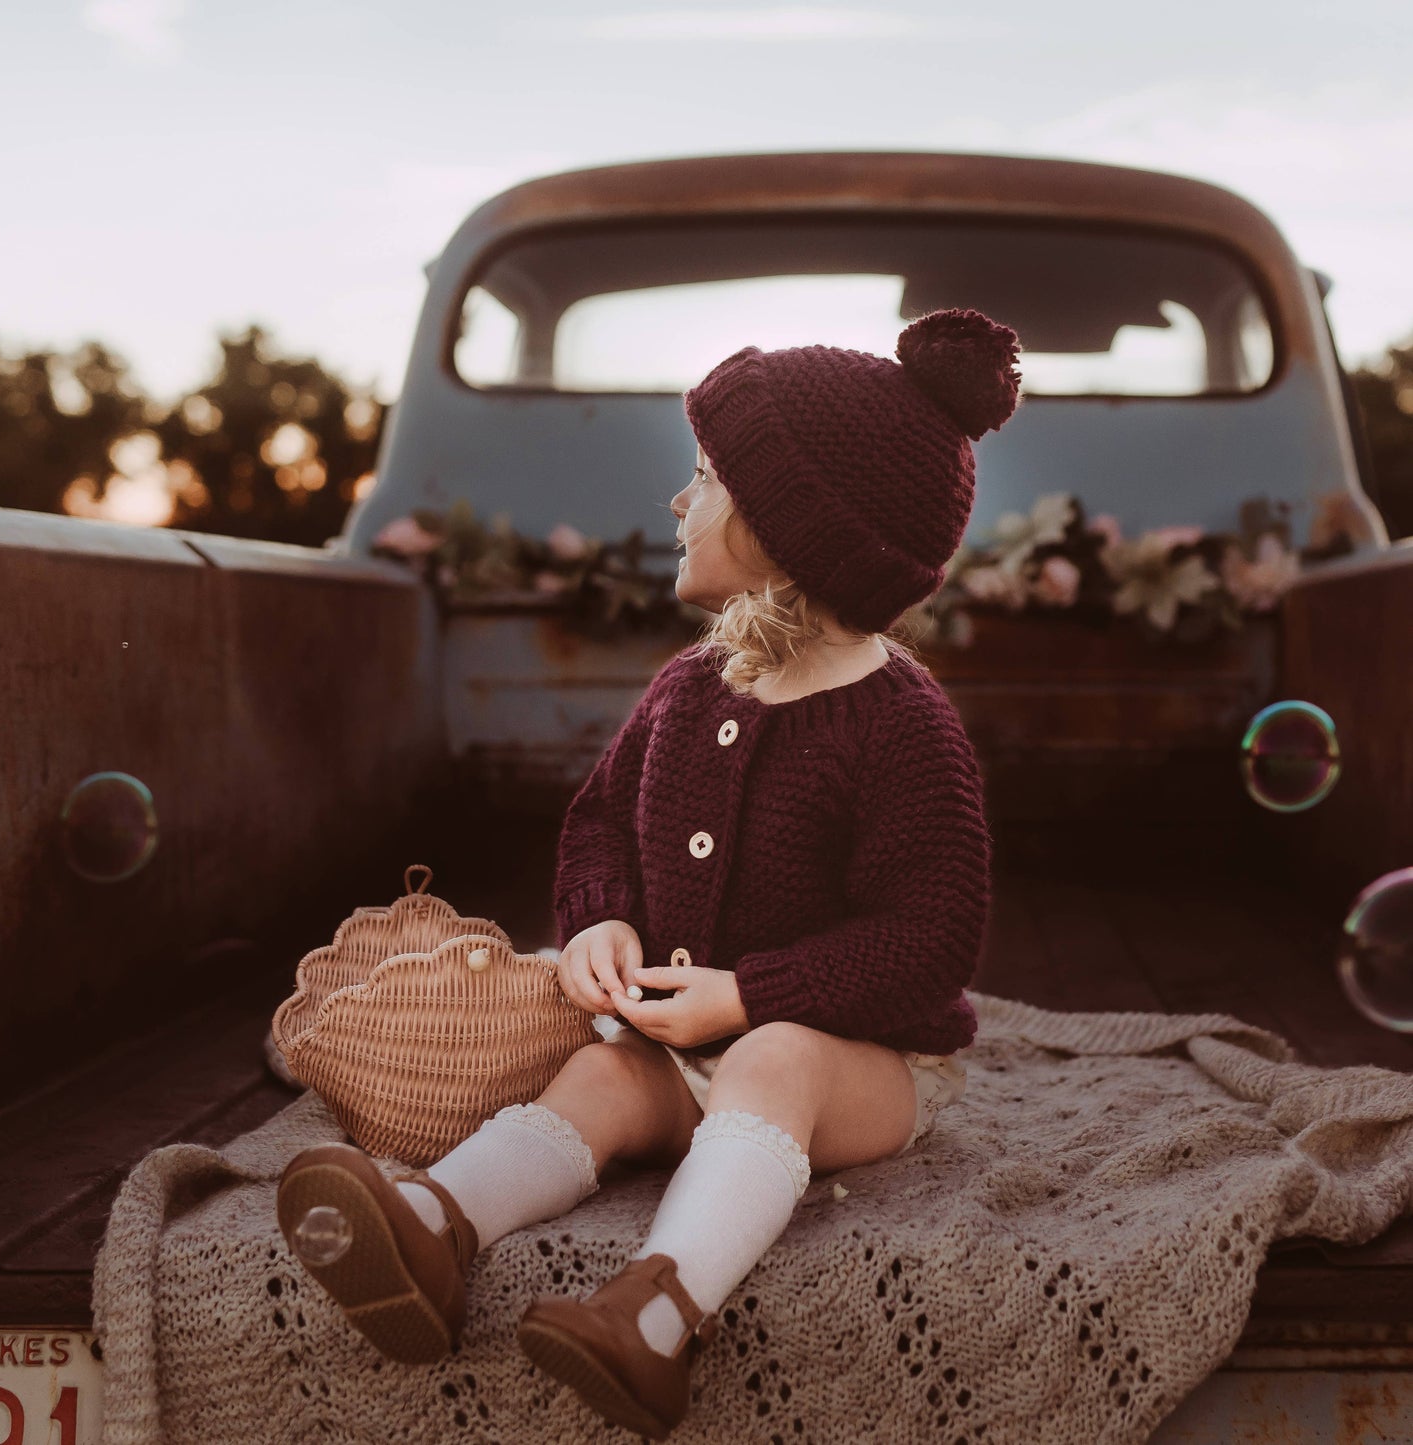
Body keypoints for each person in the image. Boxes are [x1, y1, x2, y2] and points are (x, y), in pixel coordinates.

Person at [276, 307, 1021, 1439]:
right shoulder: (688, 688)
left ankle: (657, 1312)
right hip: (686, 1048)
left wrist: (753, 995)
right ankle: (432, 1226)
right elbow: (598, 828)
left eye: (706, 477)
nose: (679, 499)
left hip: (860, 1063)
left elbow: (931, 939)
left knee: (771, 1056)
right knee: (600, 1075)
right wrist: (597, 922)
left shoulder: (898, 724)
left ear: (790, 524)